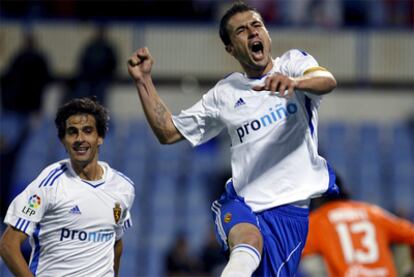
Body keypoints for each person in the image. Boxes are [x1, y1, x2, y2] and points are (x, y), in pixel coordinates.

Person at [127, 2, 337, 276]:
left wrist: (295, 83)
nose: (252, 33)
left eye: (257, 25)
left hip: (289, 212)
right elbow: (167, 131)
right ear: (230, 48)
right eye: (241, 30)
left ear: (267, 35)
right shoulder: (225, 93)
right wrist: (143, 81)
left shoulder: (293, 63)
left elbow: (326, 79)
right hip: (241, 202)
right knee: (249, 241)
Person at [0, 97, 135, 277]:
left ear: (100, 137)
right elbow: (8, 244)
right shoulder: (49, 184)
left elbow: (116, 243)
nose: (80, 139)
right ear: (64, 140)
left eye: (87, 131)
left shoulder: (123, 187)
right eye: (72, 132)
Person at [301, 175, 414, 277]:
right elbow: (411, 234)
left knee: (305, 258)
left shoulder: (316, 220)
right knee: (401, 243)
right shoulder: (372, 212)